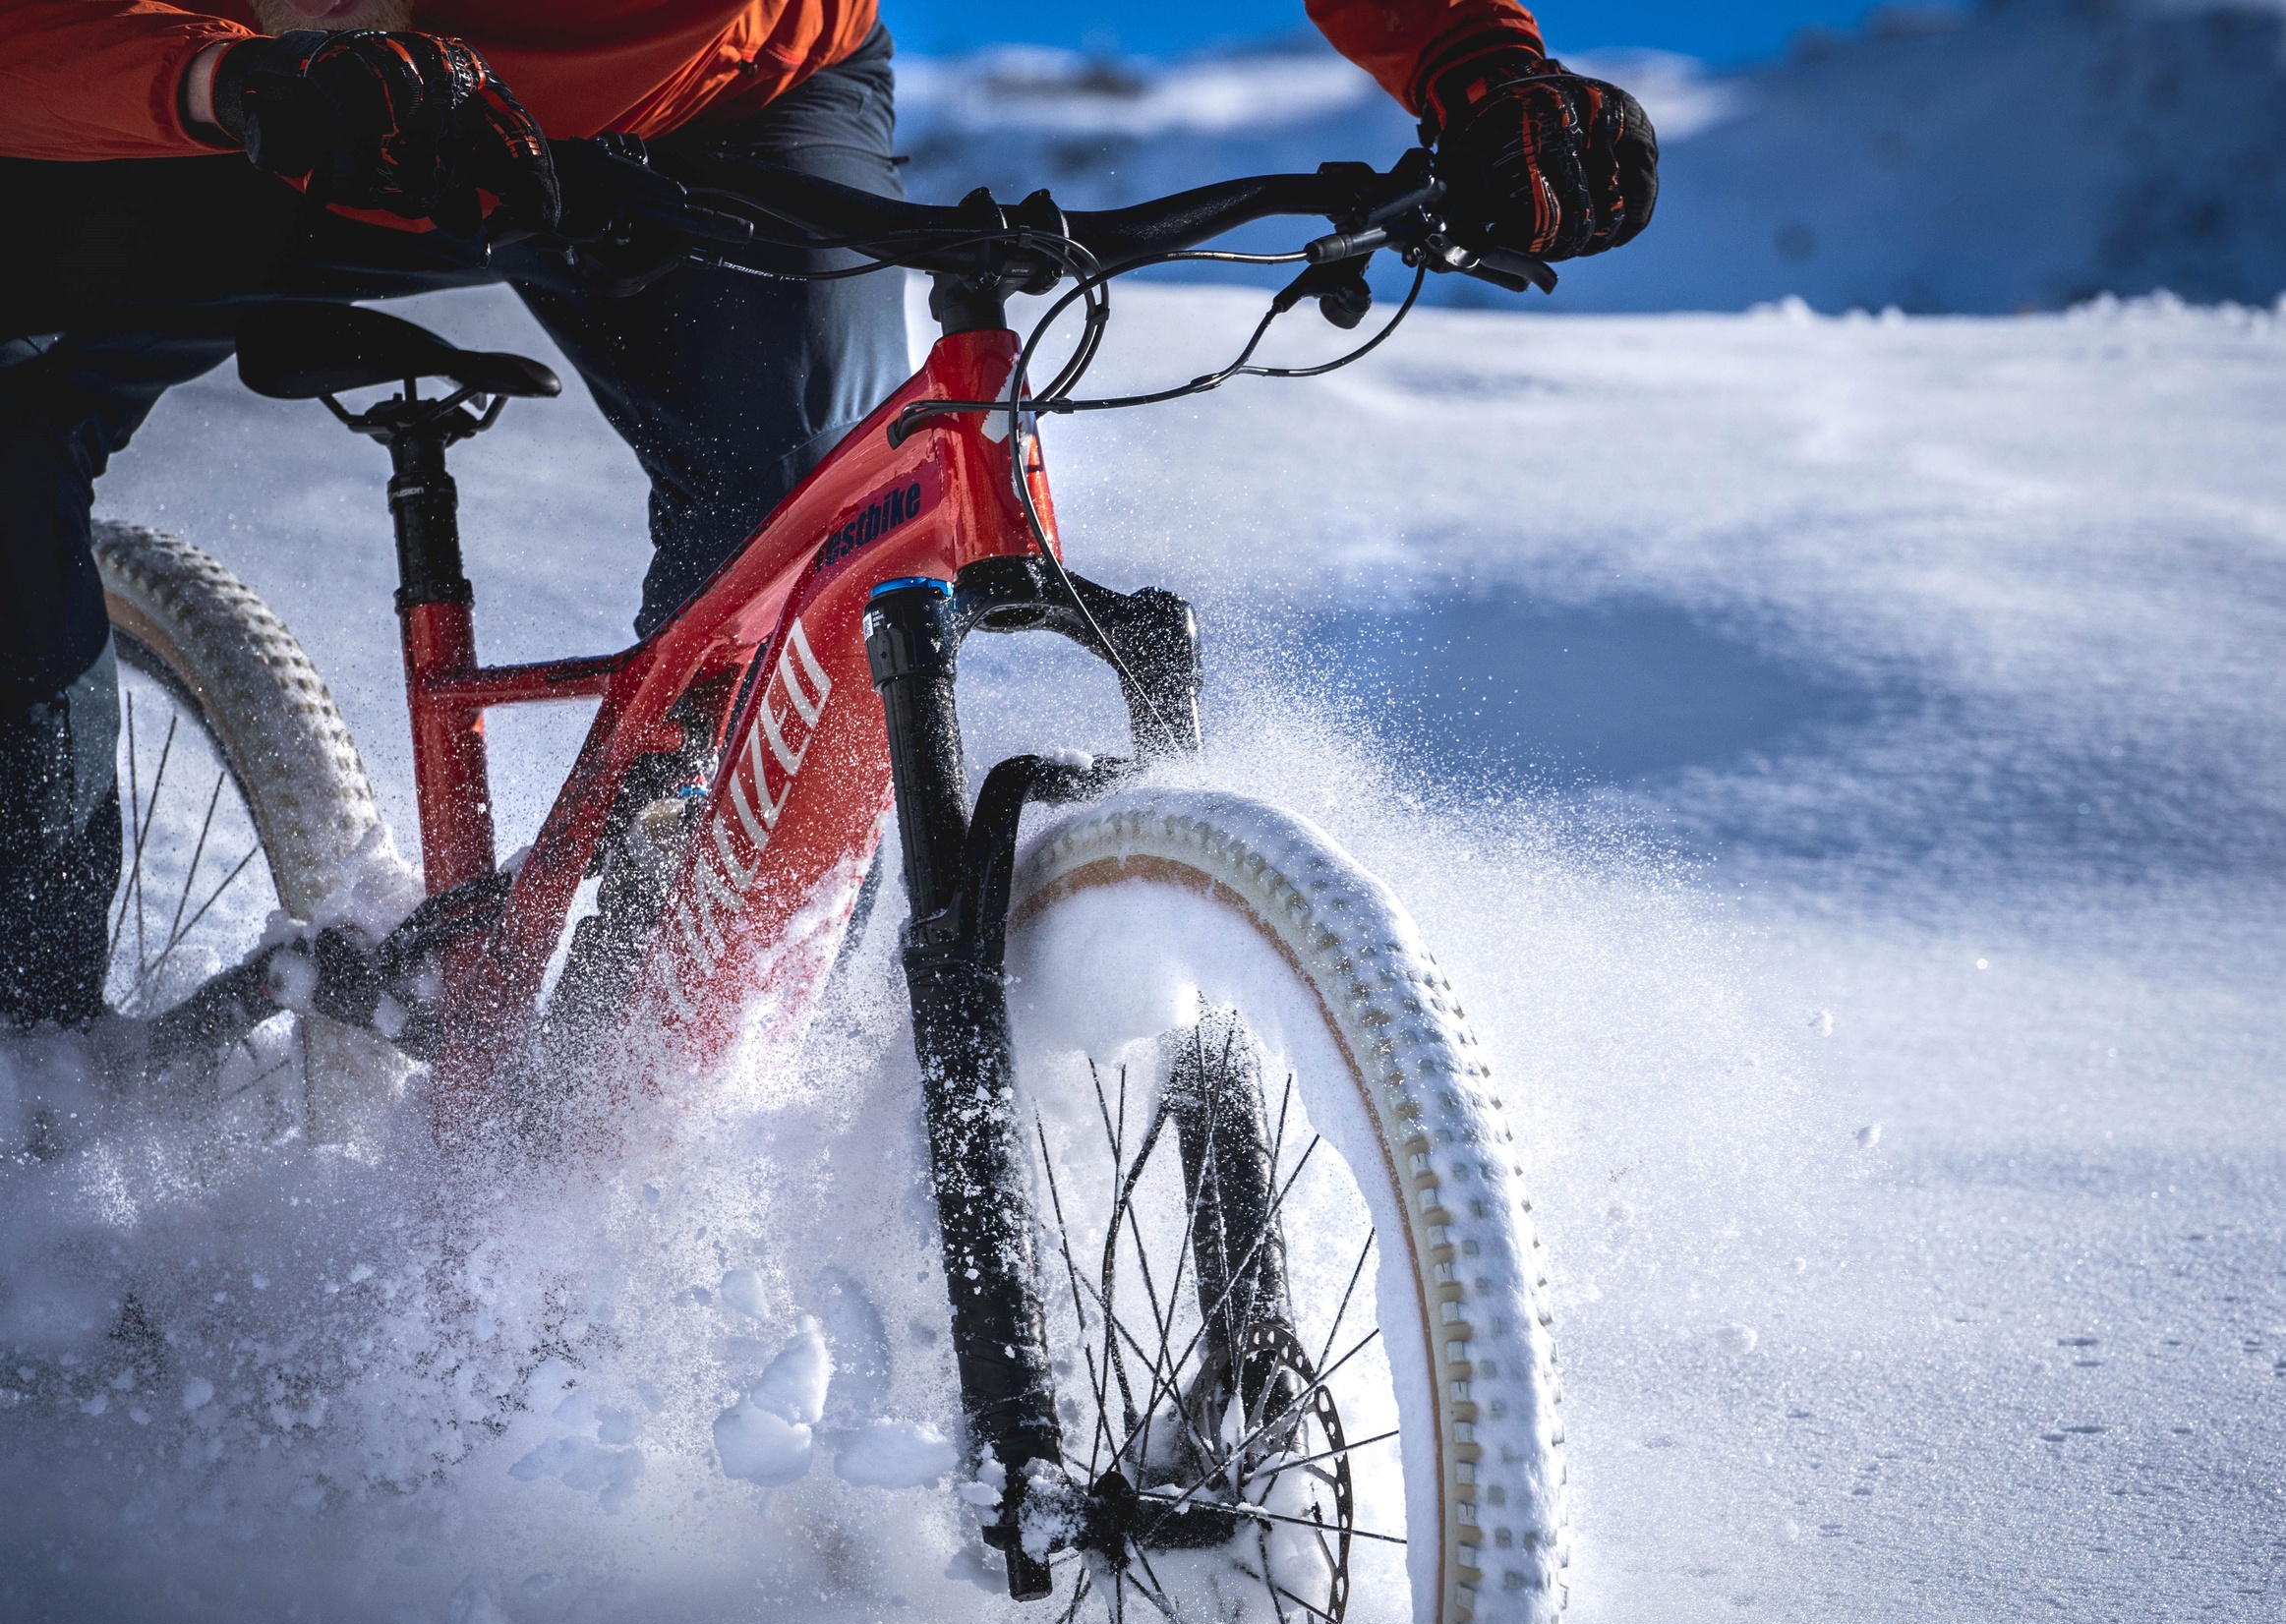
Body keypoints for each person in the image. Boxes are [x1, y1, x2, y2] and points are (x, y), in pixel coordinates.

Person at [0, 0, 1658, 1028]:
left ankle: (636, 1133)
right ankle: (35, 1115)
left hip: (720, 92)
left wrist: (1469, 61)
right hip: (290, 97)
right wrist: (223, 85)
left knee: (816, 545)